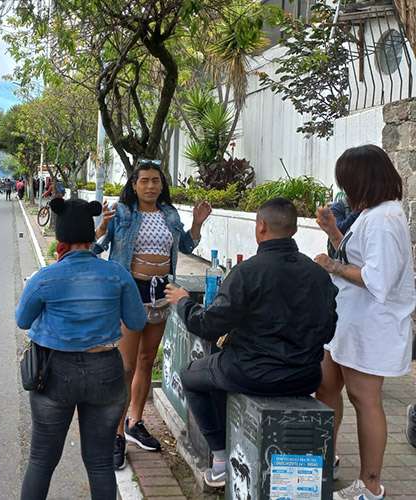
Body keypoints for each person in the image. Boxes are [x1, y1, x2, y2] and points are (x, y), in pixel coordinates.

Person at [164, 197, 338, 487]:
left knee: (192, 375)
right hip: (304, 377)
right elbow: (327, 332)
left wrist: (184, 302)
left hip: (250, 373)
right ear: (294, 230)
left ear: (260, 228)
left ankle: (220, 459)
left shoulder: (247, 272)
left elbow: (208, 325)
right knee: (217, 371)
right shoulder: (318, 275)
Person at [16, 198, 146, 500]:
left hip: (53, 373)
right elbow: (137, 321)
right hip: (106, 371)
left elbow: (23, 320)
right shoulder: (117, 274)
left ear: (60, 237)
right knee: (100, 462)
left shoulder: (45, 278)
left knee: (41, 460)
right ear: (92, 235)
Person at [92, 158, 212, 470]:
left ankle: (135, 421)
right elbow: (95, 248)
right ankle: (116, 433)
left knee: (147, 360)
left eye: (155, 181)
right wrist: (103, 226)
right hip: (129, 293)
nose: (149, 186)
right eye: (143, 180)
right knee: (126, 366)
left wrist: (197, 222)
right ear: (133, 185)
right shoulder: (122, 213)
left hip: (160, 295)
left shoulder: (170, 214)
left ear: (162, 185)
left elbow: (185, 245)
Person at [312, 145, 415, 500]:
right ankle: (324, 458)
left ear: (363, 181)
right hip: (346, 323)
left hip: (371, 327)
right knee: (326, 387)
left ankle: (370, 485)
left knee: (363, 398)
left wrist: (332, 265)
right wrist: (334, 232)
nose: (344, 190)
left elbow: (378, 279)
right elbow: (357, 256)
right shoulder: (372, 215)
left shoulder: (386, 220)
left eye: (346, 182)